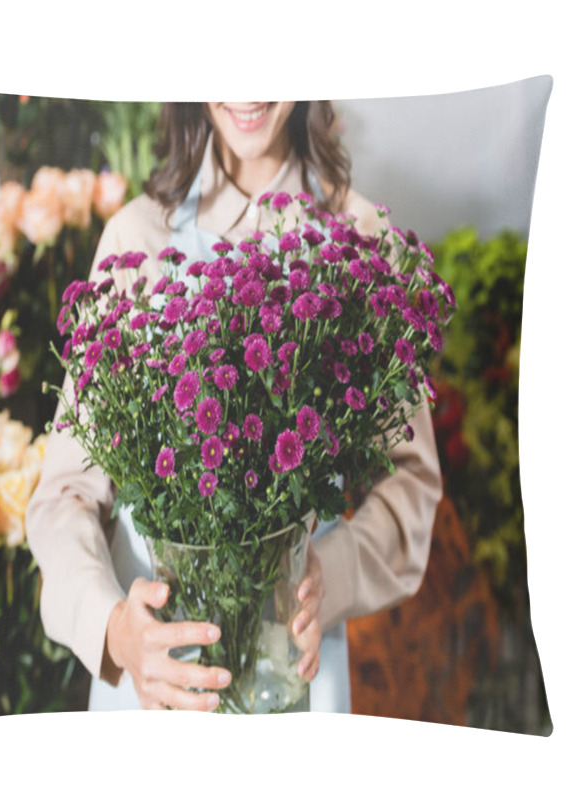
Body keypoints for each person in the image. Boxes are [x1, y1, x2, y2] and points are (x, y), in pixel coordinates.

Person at [25, 101, 443, 713]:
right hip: (156, 681)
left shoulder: (360, 240)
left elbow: (413, 482)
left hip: (291, 668)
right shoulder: (136, 237)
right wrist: (114, 628)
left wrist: (330, 575)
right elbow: (64, 494)